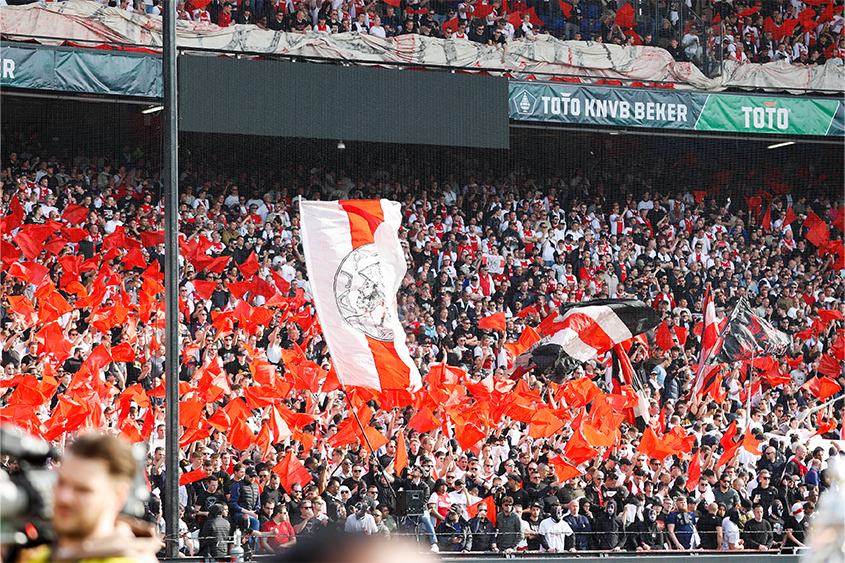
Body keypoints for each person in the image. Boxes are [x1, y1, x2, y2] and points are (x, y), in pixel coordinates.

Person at [25, 433, 160, 563]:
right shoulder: (38, 556)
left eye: (82, 490)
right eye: (61, 483)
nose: (64, 497)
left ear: (118, 496)